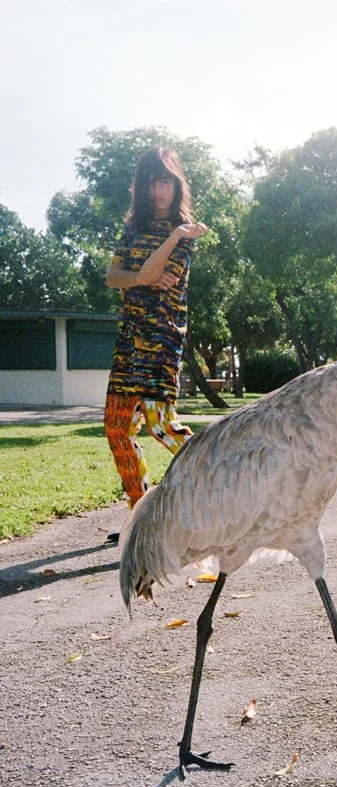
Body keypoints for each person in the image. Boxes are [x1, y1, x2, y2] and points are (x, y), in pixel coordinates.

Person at [103, 146, 207, 540]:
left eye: (165, 181)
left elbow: (146, 273)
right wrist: (139, 278)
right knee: (117, 429)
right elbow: (115, 277)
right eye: (151, 182)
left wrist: (176, 235)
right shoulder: (132, 230)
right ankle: (140, 519)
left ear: (177, 185)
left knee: (161, 426)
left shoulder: (186, 233)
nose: (158, 190)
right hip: (130, 340)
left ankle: (217, 482)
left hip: (161, 339)